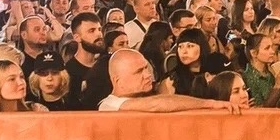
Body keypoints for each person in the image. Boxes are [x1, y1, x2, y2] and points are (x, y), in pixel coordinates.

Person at [98, 49, 241, 112]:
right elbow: (156, 104)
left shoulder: (141, 99)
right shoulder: (109, 106)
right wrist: (210, 104)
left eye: (146, 68)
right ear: (117, 80)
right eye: (138, 71)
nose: (147, 75)